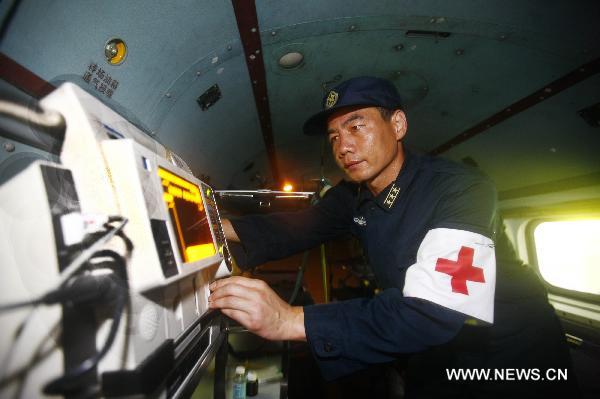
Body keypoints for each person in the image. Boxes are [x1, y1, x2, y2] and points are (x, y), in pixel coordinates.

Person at [209, 76, 577, 398]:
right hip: (434, 350)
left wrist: (290, 320)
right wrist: (215, 225)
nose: (343, 146)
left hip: (512, 349)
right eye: (334, 136)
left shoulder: (460, 190)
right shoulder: (351, 194)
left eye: (356, 127)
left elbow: (433, 310)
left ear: (397, 125)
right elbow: (300, 226)